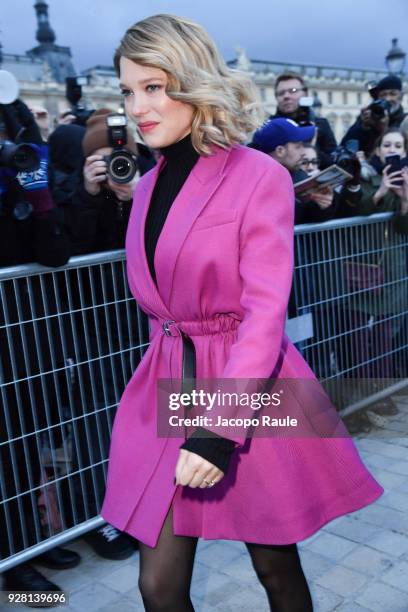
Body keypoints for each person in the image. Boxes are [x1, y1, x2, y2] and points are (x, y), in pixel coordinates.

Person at [100, 14, 383, 612]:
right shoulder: (146, 188)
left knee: (274, 564)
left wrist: (219, 431)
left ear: (192, 81)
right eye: (128, 90)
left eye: (154, 86)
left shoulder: (259, 176)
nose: (139, 105)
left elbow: (263, 315)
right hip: (170, 379)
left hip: (246, 382)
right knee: (158, 584)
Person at [338, 127, 408, 384]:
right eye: (387, 145)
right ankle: (362, 389)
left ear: (404, 151)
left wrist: (405, 200)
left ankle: (383, 387)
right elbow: (357, 211)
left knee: (384, 334)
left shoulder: (406, 180)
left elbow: (404, 228)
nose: (392, 150)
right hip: (363, 264)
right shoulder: (363, 175)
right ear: (377, 150)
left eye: (398, 146)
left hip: (390, 268)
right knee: (356, 334)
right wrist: (381, 191)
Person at [251, 118, 337, 223]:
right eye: (298, 147)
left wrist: (322, 204)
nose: (303, 152)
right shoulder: (250, 185)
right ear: (280, 151)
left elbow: (309, 218)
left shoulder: (299, 175)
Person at [271, 72, 337, 167]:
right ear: (276, 98)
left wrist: (311, 152)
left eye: (293, 90)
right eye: (281, 93)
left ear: (305, 94)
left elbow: (333, 160)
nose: (286, 96)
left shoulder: (320, 124)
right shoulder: (268, 128)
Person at [341, 75, 407, 157]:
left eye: (393, 94)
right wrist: (363, 127)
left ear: (401, 96)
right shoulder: (369, 118)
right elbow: (345, 148)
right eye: (383, 95)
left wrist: (383, 130)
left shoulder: (405, 121)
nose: (387, 98)